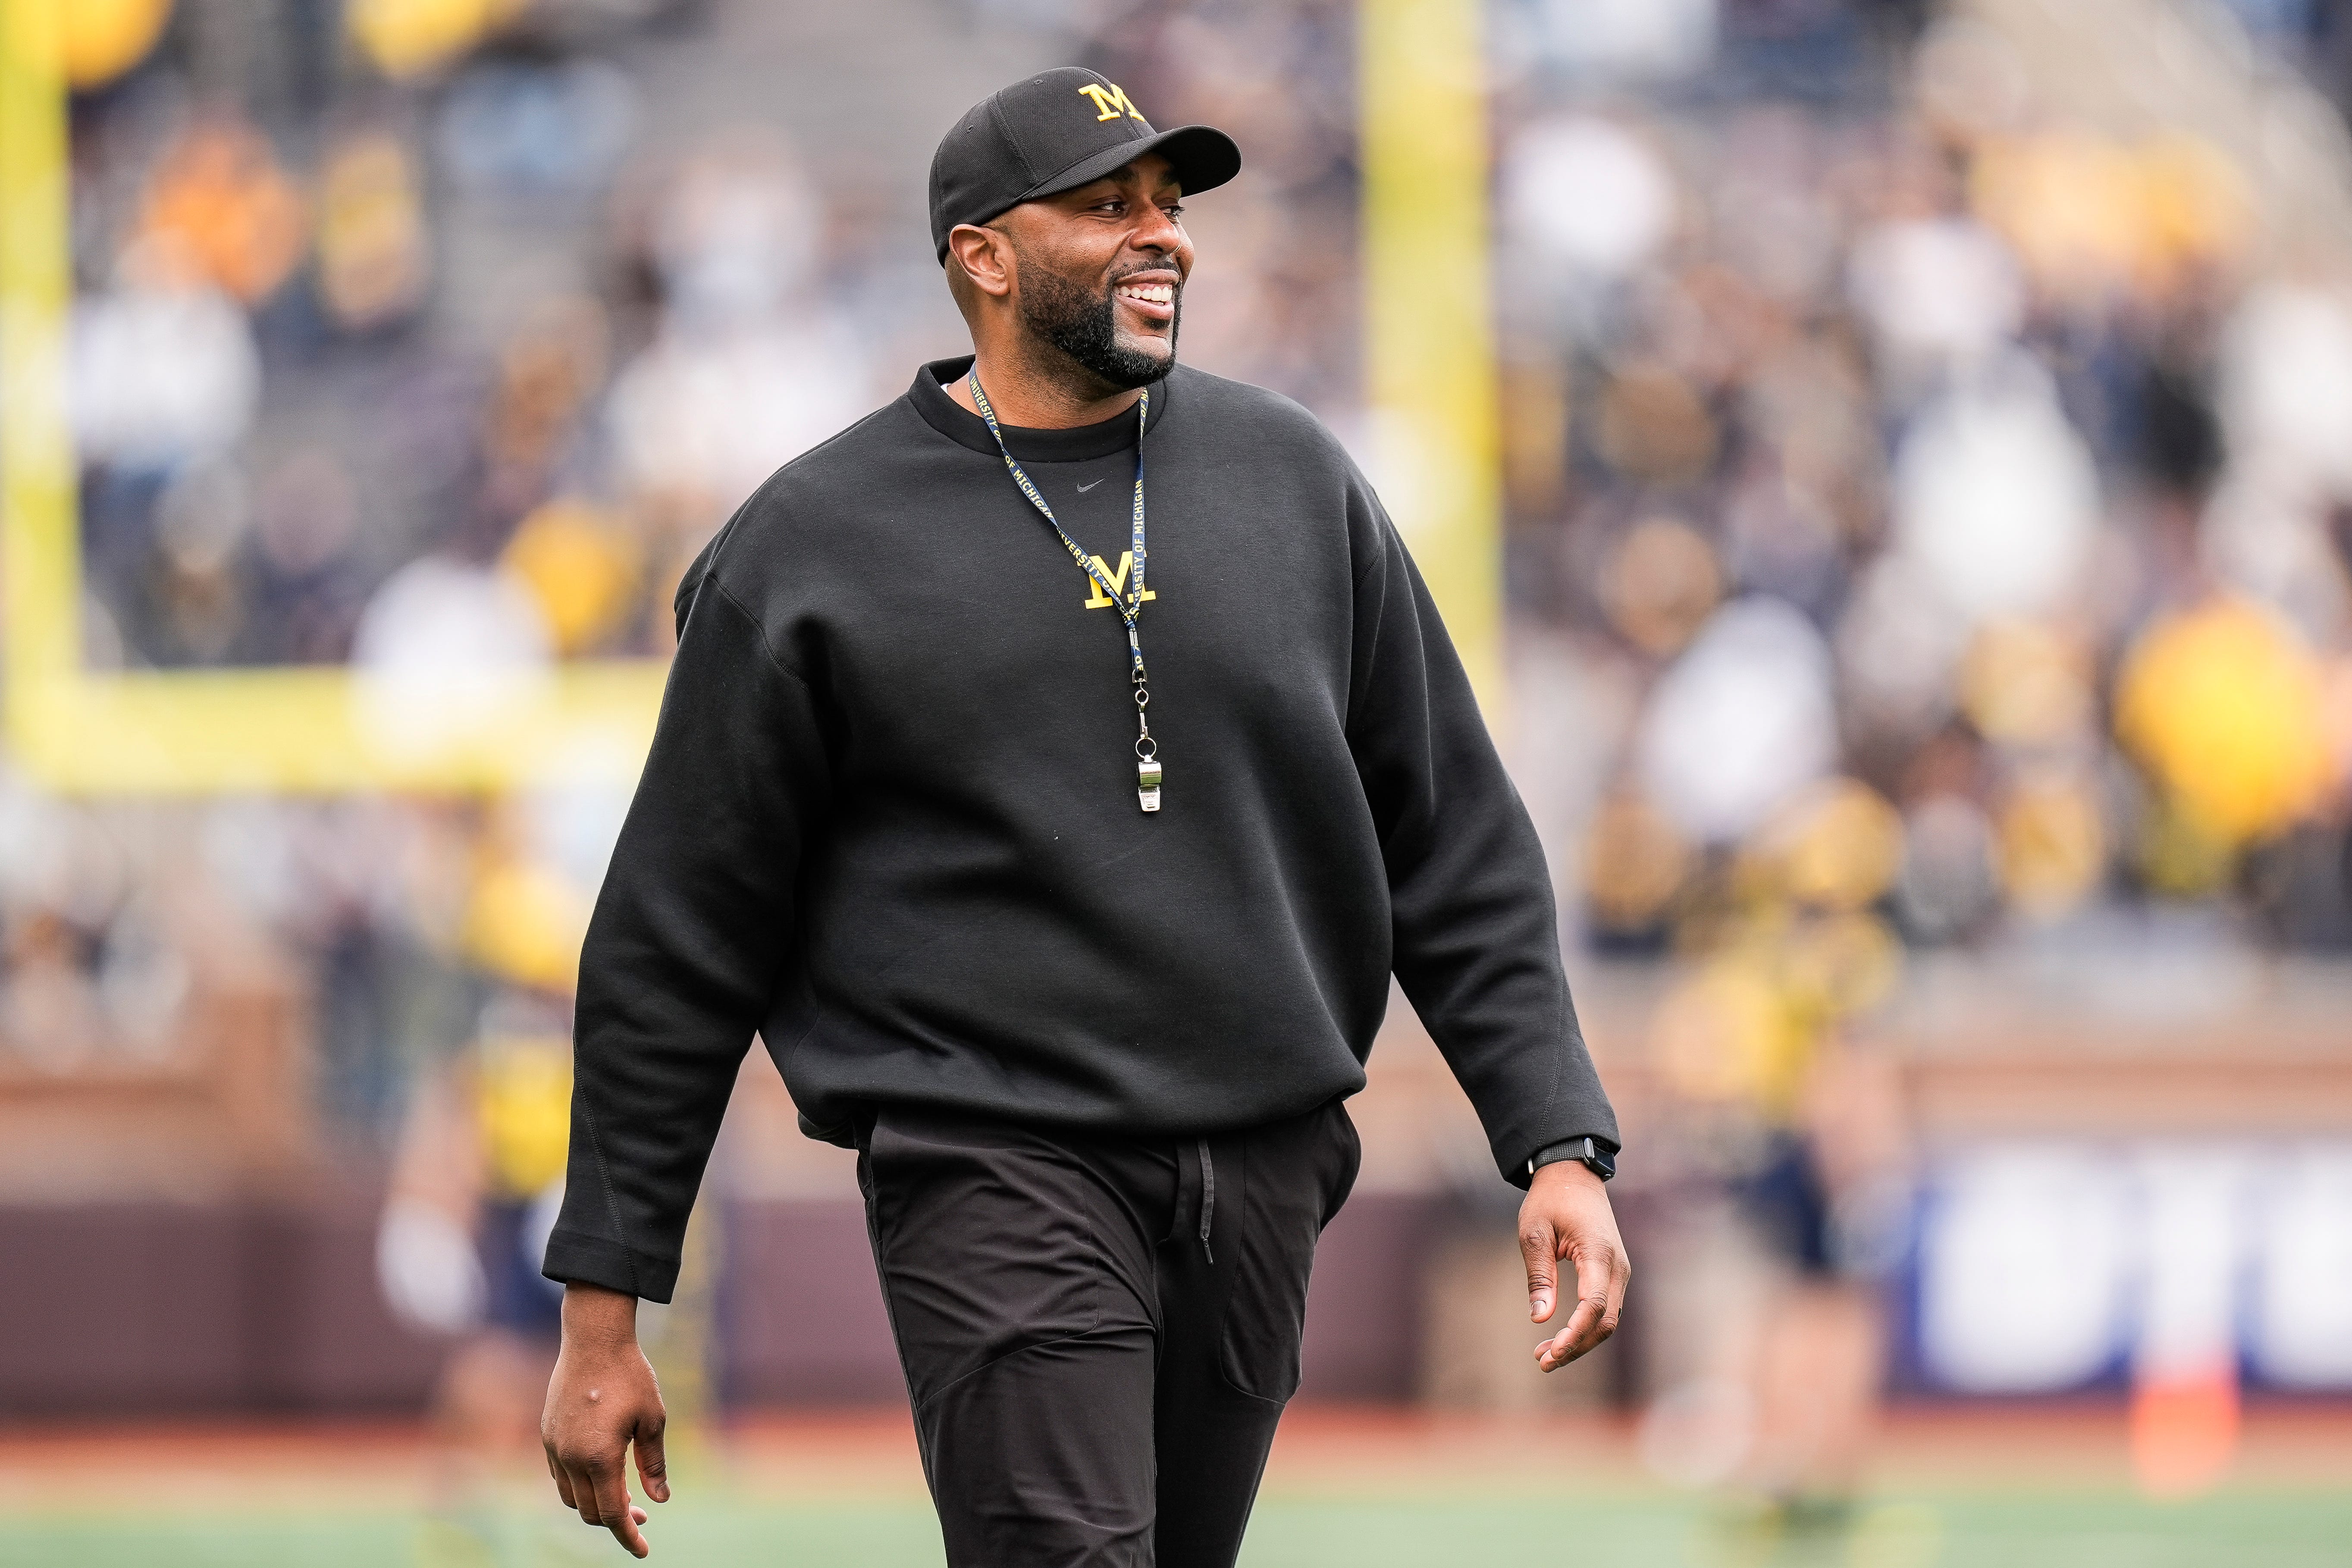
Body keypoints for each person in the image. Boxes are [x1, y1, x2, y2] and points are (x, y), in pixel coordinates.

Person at [536, 66, 1628, 1566]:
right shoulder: (812, 544)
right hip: (994, 1158)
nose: (1162, 236)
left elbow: (1451, 836)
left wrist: (1554, 1137)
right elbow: (673, 938)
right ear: (982, 253)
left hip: (1260, 1164)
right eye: (1107, 205)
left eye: (1169, 208)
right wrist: (606, 1312)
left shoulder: (1295, 481)